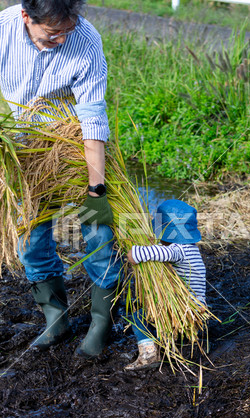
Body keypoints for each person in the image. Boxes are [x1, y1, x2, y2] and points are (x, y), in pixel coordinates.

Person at [0, 0, 122, 357]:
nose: (62, 39)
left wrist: (96, 188)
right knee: (31, 239)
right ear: (26, 16)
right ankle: (56, 318)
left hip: (75, 145)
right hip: (25, 147)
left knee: (98, 231)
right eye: (53, 33)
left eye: (67, 30)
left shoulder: (85, 39)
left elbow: (93, 115)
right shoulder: (3, 29)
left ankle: (102, 321)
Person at [125, 199, 206, 370]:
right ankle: (184, 343)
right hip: (195, 310)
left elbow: (137, 255)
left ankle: (149, 354)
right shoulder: (191, 249)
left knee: (138, 317)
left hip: (183, 311)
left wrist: (132, 250)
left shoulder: (176, 251)